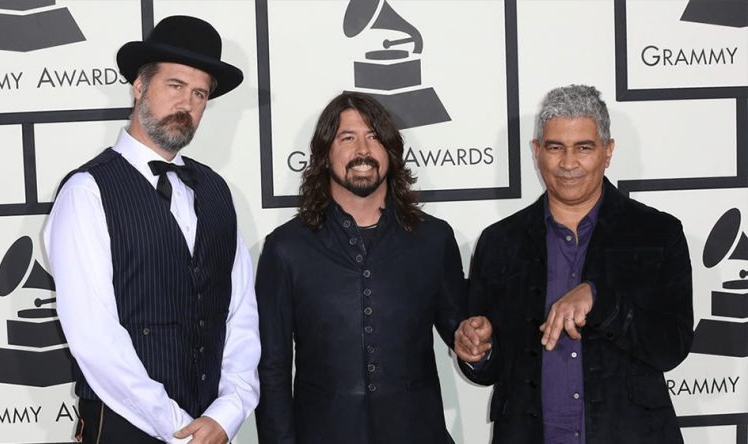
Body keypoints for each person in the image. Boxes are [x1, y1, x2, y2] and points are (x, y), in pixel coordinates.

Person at [43, 15, 259, 444]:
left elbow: (240, 315)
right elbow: (94, 337)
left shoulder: (216, 191)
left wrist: (230, 409)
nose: (188, 104)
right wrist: (176, 428)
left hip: (210, 429)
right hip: (124, 428)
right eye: (175, 86)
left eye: (200, 94)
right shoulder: (87, 191)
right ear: (139, 87)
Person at [454, 85, 693, 444]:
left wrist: (600, 300)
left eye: (583, 147)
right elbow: (488, 366)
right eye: (555, 148)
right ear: (537, 152)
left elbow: (671, 347)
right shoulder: (499, 243)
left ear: (608, 151)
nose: (568, 163)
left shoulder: (658, 234)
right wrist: (477, 350)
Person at [255, 92, 465, 443]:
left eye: (374, 137)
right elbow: (271, 370)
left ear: (391, 152)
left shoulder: (433, 239)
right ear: (324, 155)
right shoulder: (286, 248)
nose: (363, 150)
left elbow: (464, 334)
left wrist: (478, 347)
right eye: (347, 138)